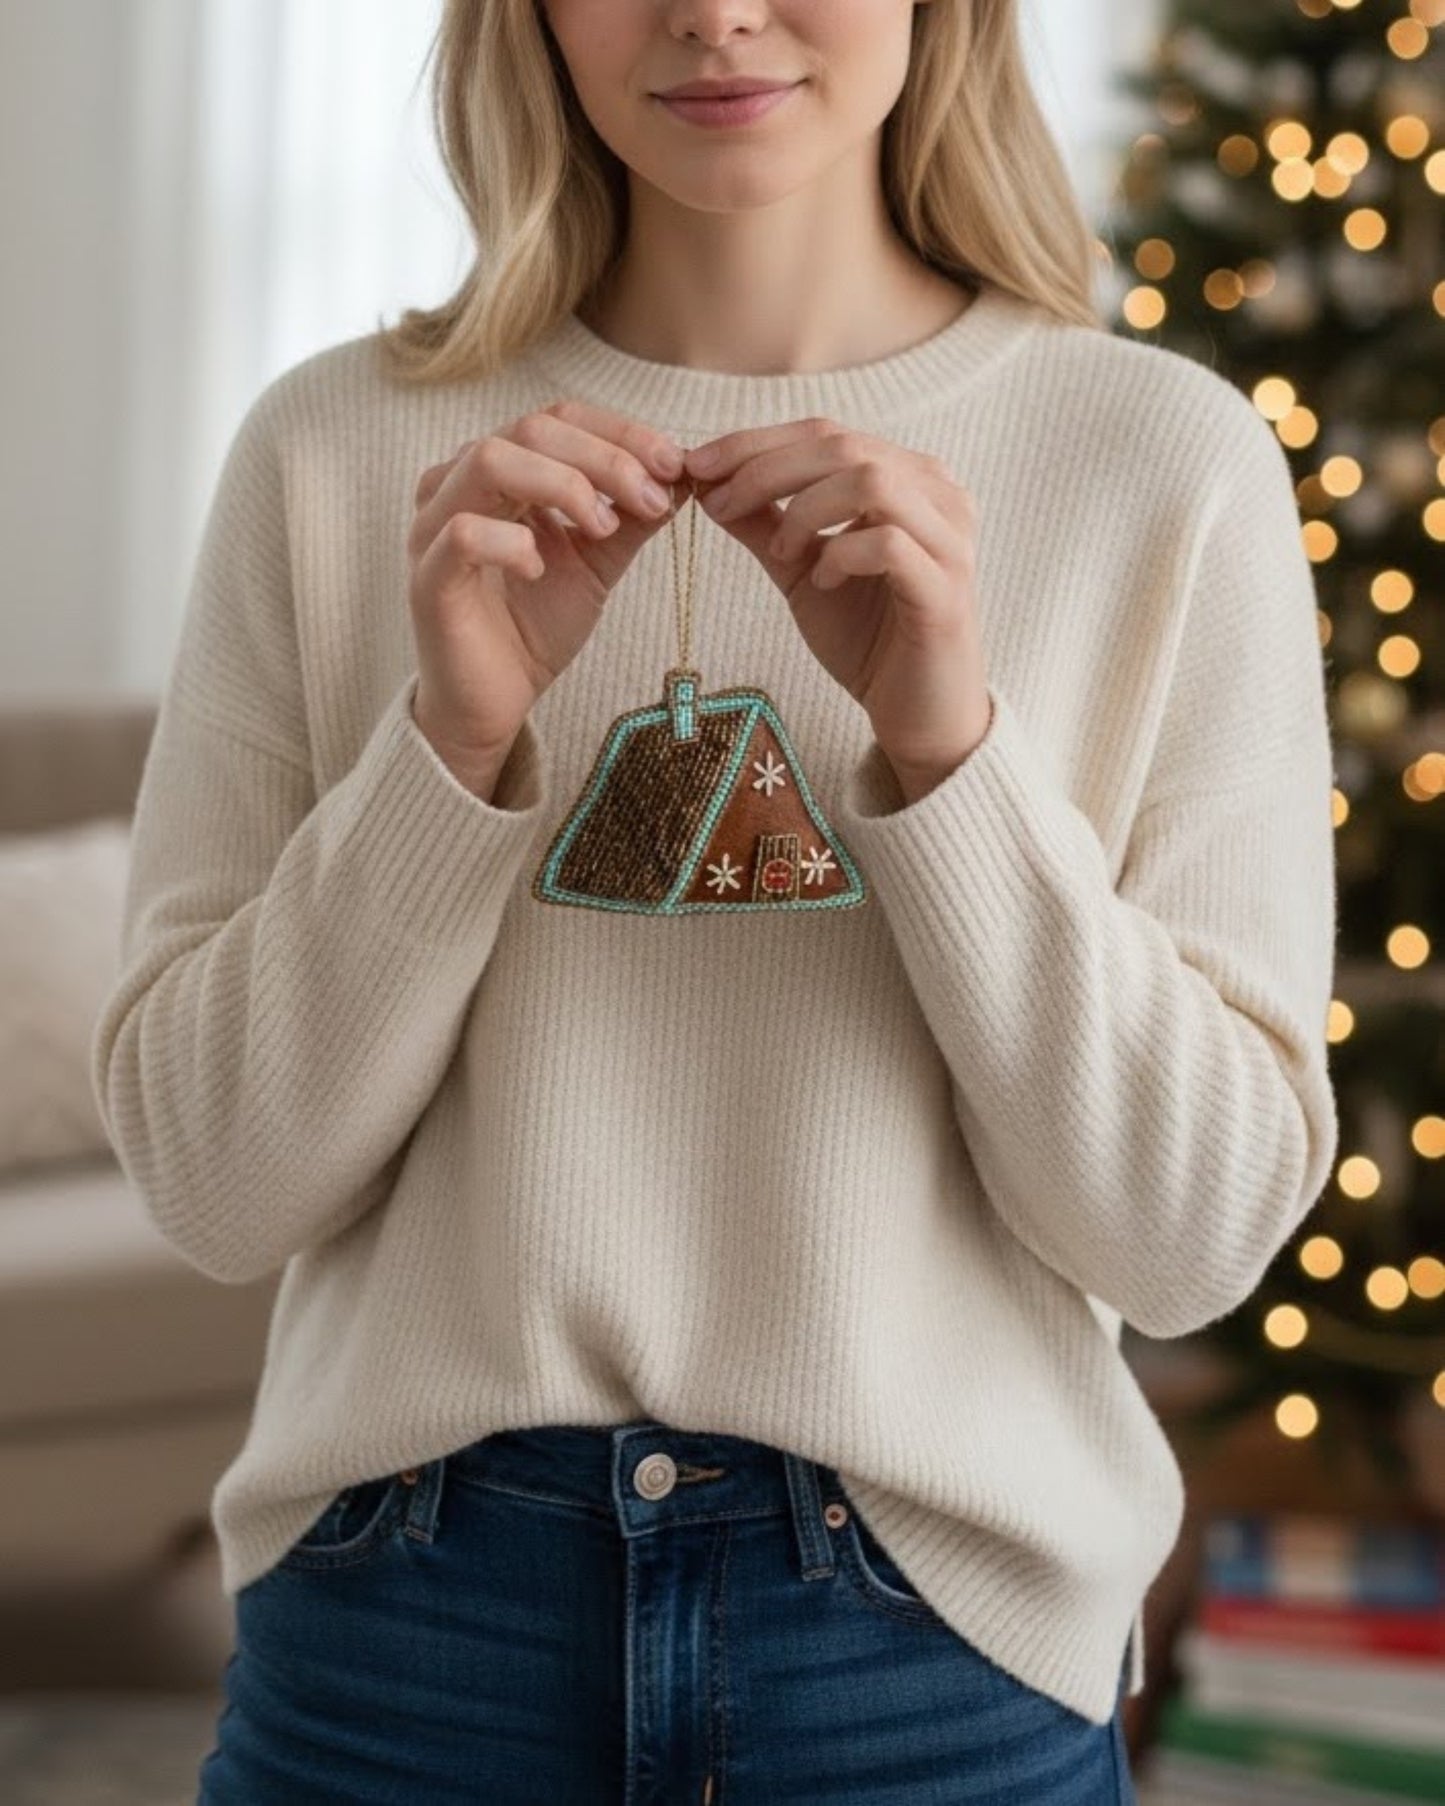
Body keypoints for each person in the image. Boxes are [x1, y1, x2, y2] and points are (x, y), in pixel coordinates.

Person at [91, 1, 1339, 1801]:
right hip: (403, 1634)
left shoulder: (1162, 464)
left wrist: (948, 756)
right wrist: (446, 749)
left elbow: (1187, 1234)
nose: (710, 12)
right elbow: (215, 1182)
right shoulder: (335, 450)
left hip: (929, 1643)